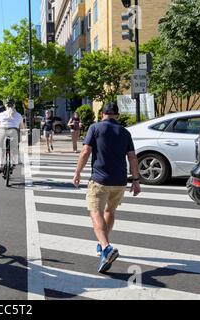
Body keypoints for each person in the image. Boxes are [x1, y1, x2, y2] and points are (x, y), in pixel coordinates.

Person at [72, 102, 141, 273]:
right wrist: (136, 180)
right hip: (120, 181)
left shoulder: (95, 128)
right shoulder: (125, 132)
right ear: (117, 115)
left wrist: (77, 172)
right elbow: (132, 158)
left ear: (102, 113)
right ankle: (102, 245)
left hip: (100, 180)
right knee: (110, 211)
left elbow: (86, 151)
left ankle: (106, 247)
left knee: (95, 212)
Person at [0, 97, 26, 173]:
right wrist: (23, 132)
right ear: (14, 105)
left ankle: (0, 165)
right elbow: (22, 127)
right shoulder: (18, 115)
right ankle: (13, 163)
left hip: (3, 131)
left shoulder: (1, 114)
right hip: (13, 132)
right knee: (15, 148)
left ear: (6, 105)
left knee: (1, 149)